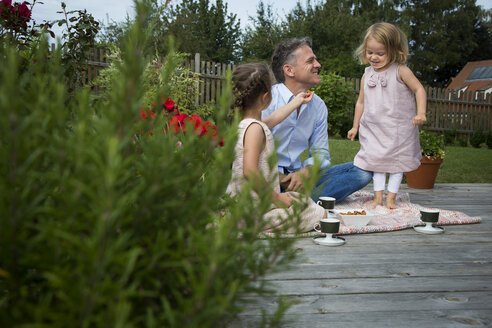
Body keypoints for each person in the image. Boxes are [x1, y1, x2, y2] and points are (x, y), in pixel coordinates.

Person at [262, 37, 372, 203]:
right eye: (310, 60)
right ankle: (302, 201)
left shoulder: (318, 106)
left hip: (300, 179)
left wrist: (306, 171)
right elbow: (251, 152)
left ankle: (298, 202)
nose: (318, 64)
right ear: (289, 70)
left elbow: (321, 153)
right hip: (267, 178)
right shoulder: (267, 99)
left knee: (363, 171)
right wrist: (282, 178)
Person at [226, 63, 326, 233]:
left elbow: (273, 118)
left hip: (247, 202)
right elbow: (249, 172)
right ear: (265, 97)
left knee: (301, 199)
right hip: (256, 208)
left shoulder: (247, 125)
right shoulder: (255, 129)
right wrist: (277, 197)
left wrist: (297, 101)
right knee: (318, 213)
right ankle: (250, 224)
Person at [347, 22, 427, 209]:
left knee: (396, 164)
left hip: (397, 130)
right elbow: (361, 102)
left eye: (380, 53)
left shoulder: (401, 71)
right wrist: (355, 126)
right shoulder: (366, 74)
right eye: (370, 52)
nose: (374, 57)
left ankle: (390, 198)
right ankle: (377, 198)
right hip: (374, 129)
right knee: (377, 163)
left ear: (394, 51)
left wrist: (421, 113)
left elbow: (419, 89)